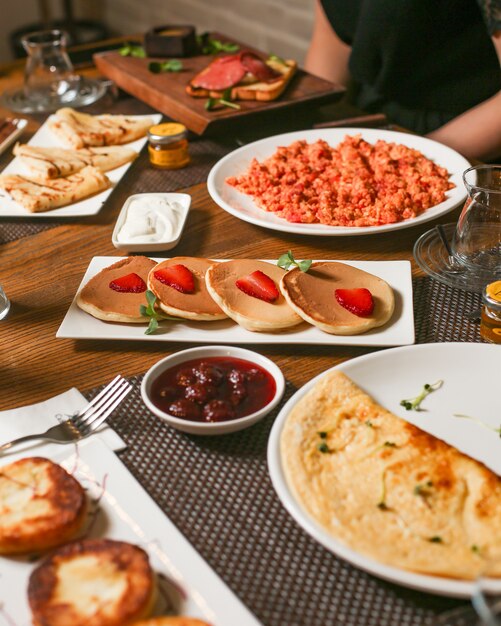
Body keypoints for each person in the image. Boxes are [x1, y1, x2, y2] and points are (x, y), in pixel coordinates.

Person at [305, 0, 501, 161]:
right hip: (370, 126)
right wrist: (312, 139)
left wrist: (411, 157)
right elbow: (336, 33)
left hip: (465, 140)